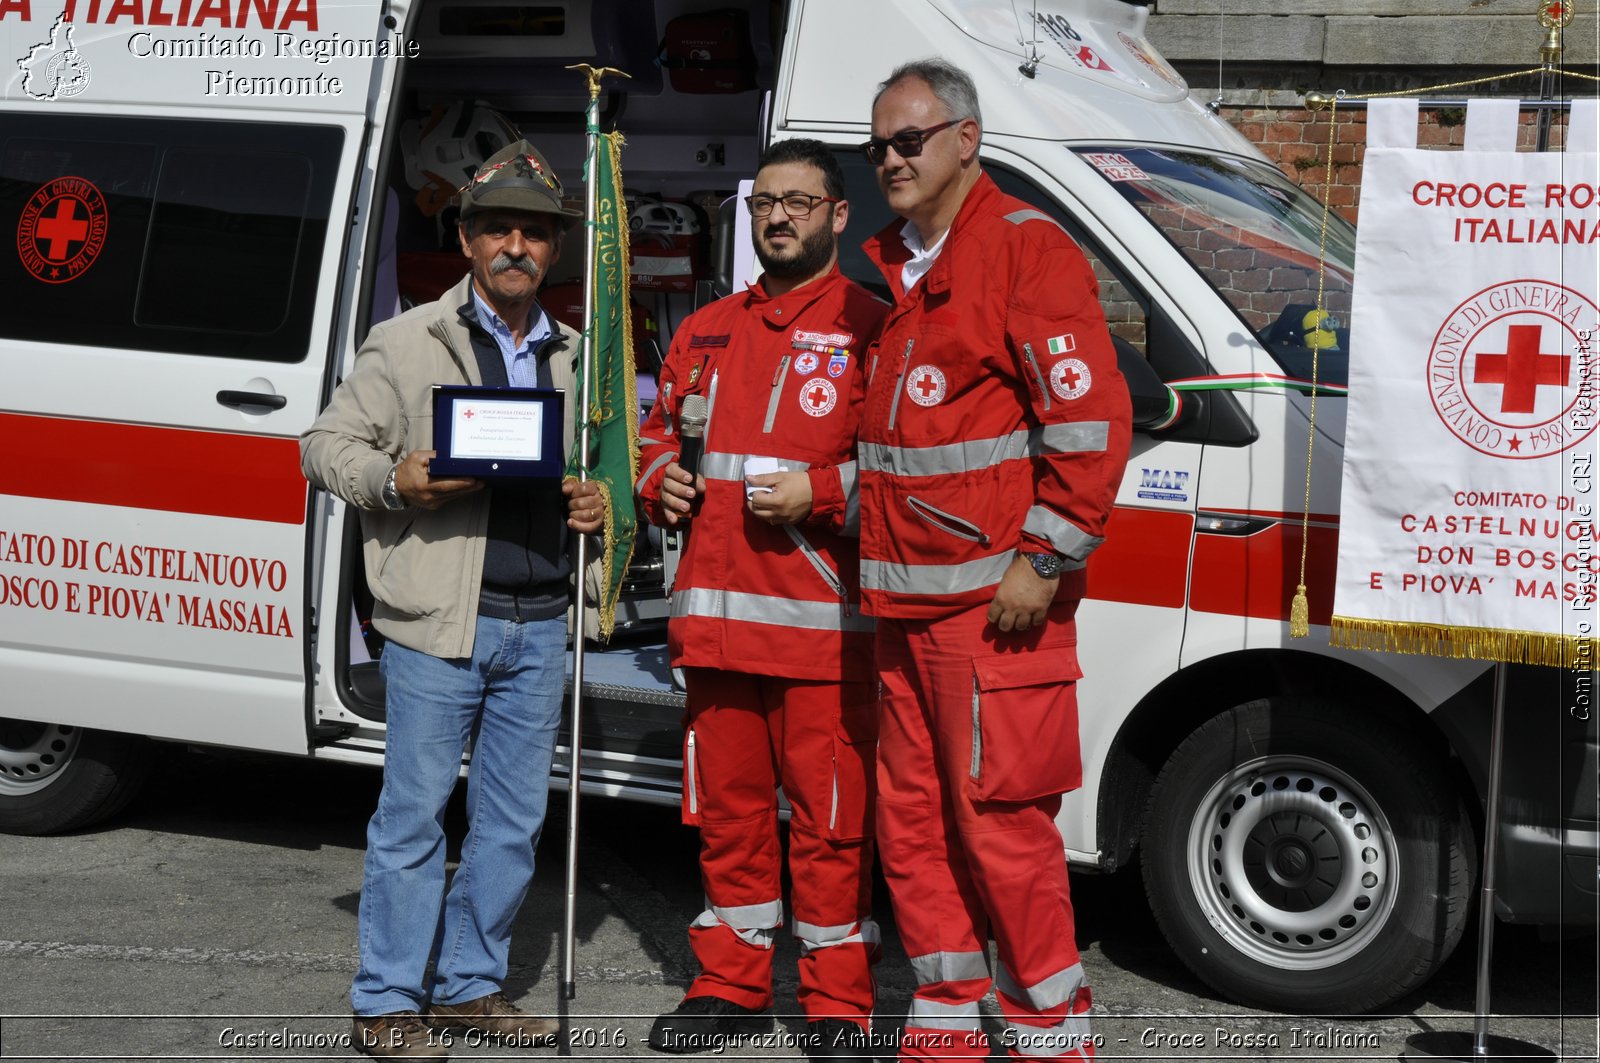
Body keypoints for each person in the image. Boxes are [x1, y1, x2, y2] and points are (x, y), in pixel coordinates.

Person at [301, 138, 607, 1059]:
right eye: (499, 228)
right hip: (438, 625)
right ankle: (388, 1000)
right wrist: (396, 481)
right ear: (468, 239)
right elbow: (323, 447)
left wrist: (599, 501)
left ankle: (469, 987)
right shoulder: (404, 341)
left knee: (513, 825)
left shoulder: (581, 358)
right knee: (414, 818)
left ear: (553, 250)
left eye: (536, 232)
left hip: (542, 619)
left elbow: (605, 481)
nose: (518, 246)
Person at [855, 61, 1132, 1062]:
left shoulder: (1023, 250)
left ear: (965, 139)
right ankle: (943, 1024)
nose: (888, 158)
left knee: (1000, 828)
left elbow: (1091, 419)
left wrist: (1045, 559)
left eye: (908, 140)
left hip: (989, 607)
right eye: (877, 145)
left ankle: (1048, 1028)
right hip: (901, 599)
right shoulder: (895, 263)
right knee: (914, 824)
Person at [636, 138, 889, 1059]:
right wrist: (657, 476)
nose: (777, 218)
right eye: (763, 203)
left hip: (822, 633)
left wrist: (822, 495)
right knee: (728, 820)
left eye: (798, 202)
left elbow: (902, 470)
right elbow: (657, 431)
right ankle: (729, 983)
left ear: (836, 214)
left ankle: (836, 1003)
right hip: (713, 626)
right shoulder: (705, 326)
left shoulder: (874, 326)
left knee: (831, 826)